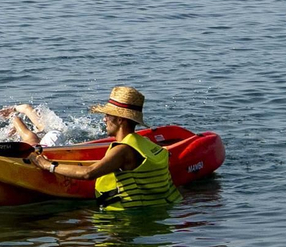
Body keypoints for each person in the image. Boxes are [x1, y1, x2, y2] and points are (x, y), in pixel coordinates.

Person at [26, 86, 181, 209]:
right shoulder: (144, 142)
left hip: (127, 220)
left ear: (120, 120)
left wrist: (46, 165)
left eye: (108, 115)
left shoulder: (123, 151)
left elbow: (88, 173)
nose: (104, 119)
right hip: (154, 212)